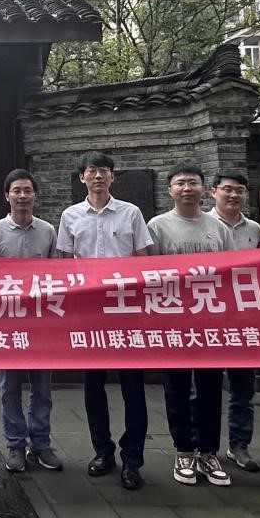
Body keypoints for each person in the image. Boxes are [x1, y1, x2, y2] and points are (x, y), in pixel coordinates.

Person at [57, 151, 153, 490]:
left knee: (133, 388)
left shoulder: (131, 213)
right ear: (82, 177)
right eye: (92, 170)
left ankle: (133, 459)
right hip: (89, 314)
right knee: (93, 385)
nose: (98, 176)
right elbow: (65, 265)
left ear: (113, 176)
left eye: (105, 171)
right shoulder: (70, 216)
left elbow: (143, 261)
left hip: (126, 313)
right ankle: (102, 451)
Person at [147, 162, 234, 488]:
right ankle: (184, 450)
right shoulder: (157, 226)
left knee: (211, 389)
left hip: (209, 322)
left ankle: (208, 452)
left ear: (204, 189)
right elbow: (148, 275)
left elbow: (230, 274)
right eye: (181, 183)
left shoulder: (218, 228)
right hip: (173, 323)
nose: (187, 188)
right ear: (170, 190)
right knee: (177, 389)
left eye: (193, 183)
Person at [0, 169, 61, 475]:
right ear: (7, 196)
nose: (22, 196)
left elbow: (58, 276)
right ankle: (15, 444)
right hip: (7, 323)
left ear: (35, 196)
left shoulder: (48, 231)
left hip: (40, 324)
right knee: (9, 387)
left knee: (42, 387)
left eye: (27, 190)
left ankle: (41, 444)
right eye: (16, 191)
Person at [206, 170, 260, 475]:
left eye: (239, 190)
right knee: (204, 388)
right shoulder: (202, 224)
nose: (233, 195)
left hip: (244, 318)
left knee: (243, 386)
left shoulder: (254, 229)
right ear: (213, 192)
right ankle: (204, 447)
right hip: (207, 316)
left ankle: (239, 444)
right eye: (227, 189)